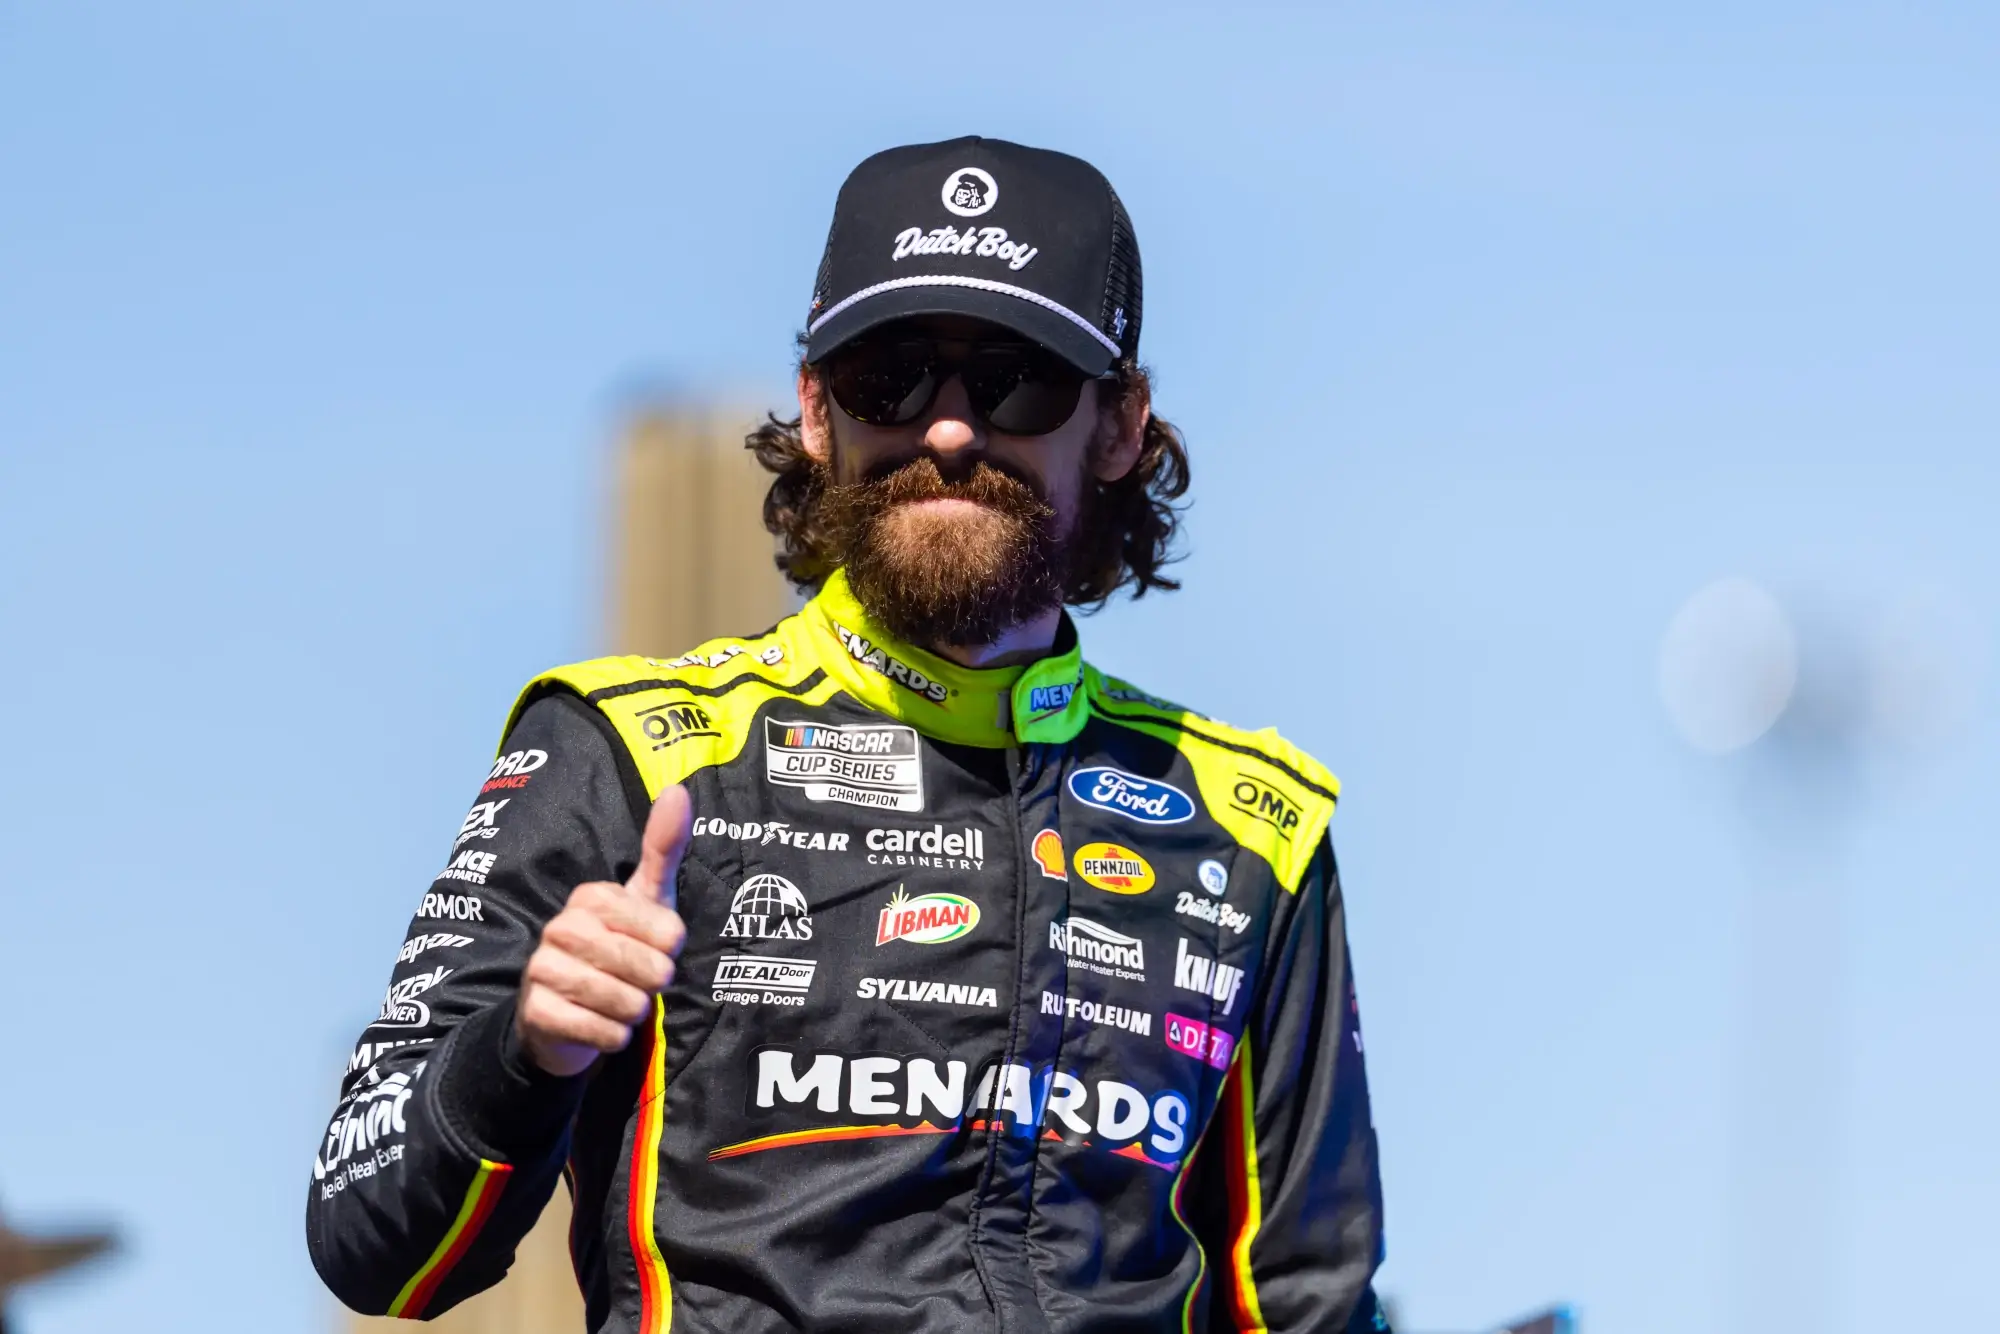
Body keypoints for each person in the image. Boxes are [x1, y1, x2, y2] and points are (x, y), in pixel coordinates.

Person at [306, 136, 1390, 1333]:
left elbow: (1309, 1299)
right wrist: (523, 1048)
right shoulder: (625, 748)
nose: (945, 430)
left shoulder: (1252, 822)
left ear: (1122, 423)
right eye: (891, 375)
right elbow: (372, 1244)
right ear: (818, 409)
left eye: (1014, 376)